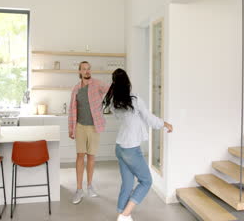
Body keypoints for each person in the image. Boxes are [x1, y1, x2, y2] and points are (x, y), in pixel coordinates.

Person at [103, 68, 173, 221]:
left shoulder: (115, 102)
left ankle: (121, 214)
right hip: (131, 149)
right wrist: (165, 124)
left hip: (120, 147)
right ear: (127, 82)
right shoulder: (135, 100)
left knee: (127, 183)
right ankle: (125, 214)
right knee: (146, 181)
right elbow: (150, 119)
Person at [68, 61, 109, 204]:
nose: (87, 71)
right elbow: (72, 110)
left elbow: (110, 90)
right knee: (80, 156)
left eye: (88, 69)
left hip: (94, 127)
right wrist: (70, 127)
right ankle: (79, 189)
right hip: (80, 126)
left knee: (91, 157)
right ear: (79, 72)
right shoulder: (76, 89)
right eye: (84, 69)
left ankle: (90, 186)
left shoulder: (97, 84)